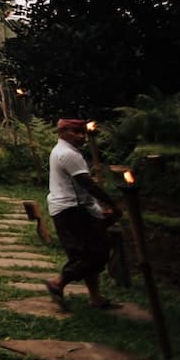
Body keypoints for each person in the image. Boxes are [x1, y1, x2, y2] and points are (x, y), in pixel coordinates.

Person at [45, 118, 119, 310]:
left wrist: (97, 209)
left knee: (86, 252)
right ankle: (58, 282)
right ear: (62, 132)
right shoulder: (68, 154)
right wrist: (112, 203)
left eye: (82, 132)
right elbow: (86, 183)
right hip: (72, 209)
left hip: (70, 207)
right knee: (97, 252)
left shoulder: (62, 151)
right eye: (75, 132)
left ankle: (95, 297)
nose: (81, 136)